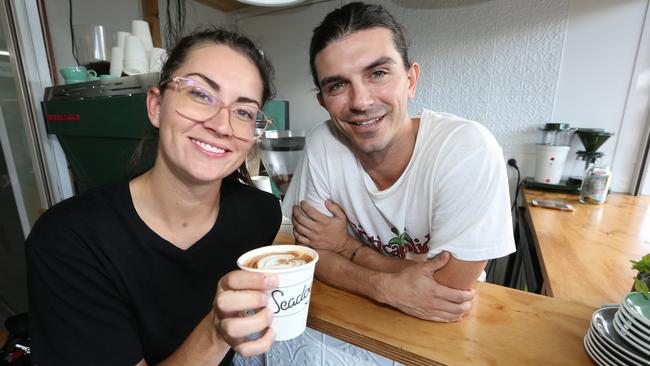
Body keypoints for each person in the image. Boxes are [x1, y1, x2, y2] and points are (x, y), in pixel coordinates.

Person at [26, 28, 282, 365]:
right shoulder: (68, 242)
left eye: (244, 112)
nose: (223, 125)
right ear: (156, 106)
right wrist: (216, 333)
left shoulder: (260, 215)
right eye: (200, 94)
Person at [282, 2, 515, 322]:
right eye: (337, 85)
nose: (361, 102)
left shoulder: (467, 148)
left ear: (410, 80)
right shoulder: (324, 143)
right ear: (323, 102)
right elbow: (309, 256)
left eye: (378, 73)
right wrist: (382, 286)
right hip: (355, 319)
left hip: (444, 325)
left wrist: (348, 248)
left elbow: (449, 287)